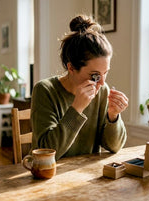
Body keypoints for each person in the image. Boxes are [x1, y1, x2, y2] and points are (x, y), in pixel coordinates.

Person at [31, 14, 128, 160]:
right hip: (48, 174)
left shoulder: (102, 91)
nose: (101, 83)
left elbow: (114, 147)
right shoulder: (44, 90)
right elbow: (47, 150)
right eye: (95, 75)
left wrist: (113, 116)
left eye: (105, 73)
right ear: (71, 68)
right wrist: (77, 108)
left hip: (86, 175)